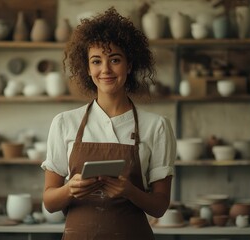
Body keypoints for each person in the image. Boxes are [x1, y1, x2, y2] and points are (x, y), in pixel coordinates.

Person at [41, 7, 176, 240]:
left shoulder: (157, 126)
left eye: (115, 59)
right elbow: (50, 202)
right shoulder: (65, 123)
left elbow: (160, 207)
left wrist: (130, 192)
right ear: (87, 68)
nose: (105, 70)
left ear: (129, 65)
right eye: (96, 61)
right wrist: (69, 189)